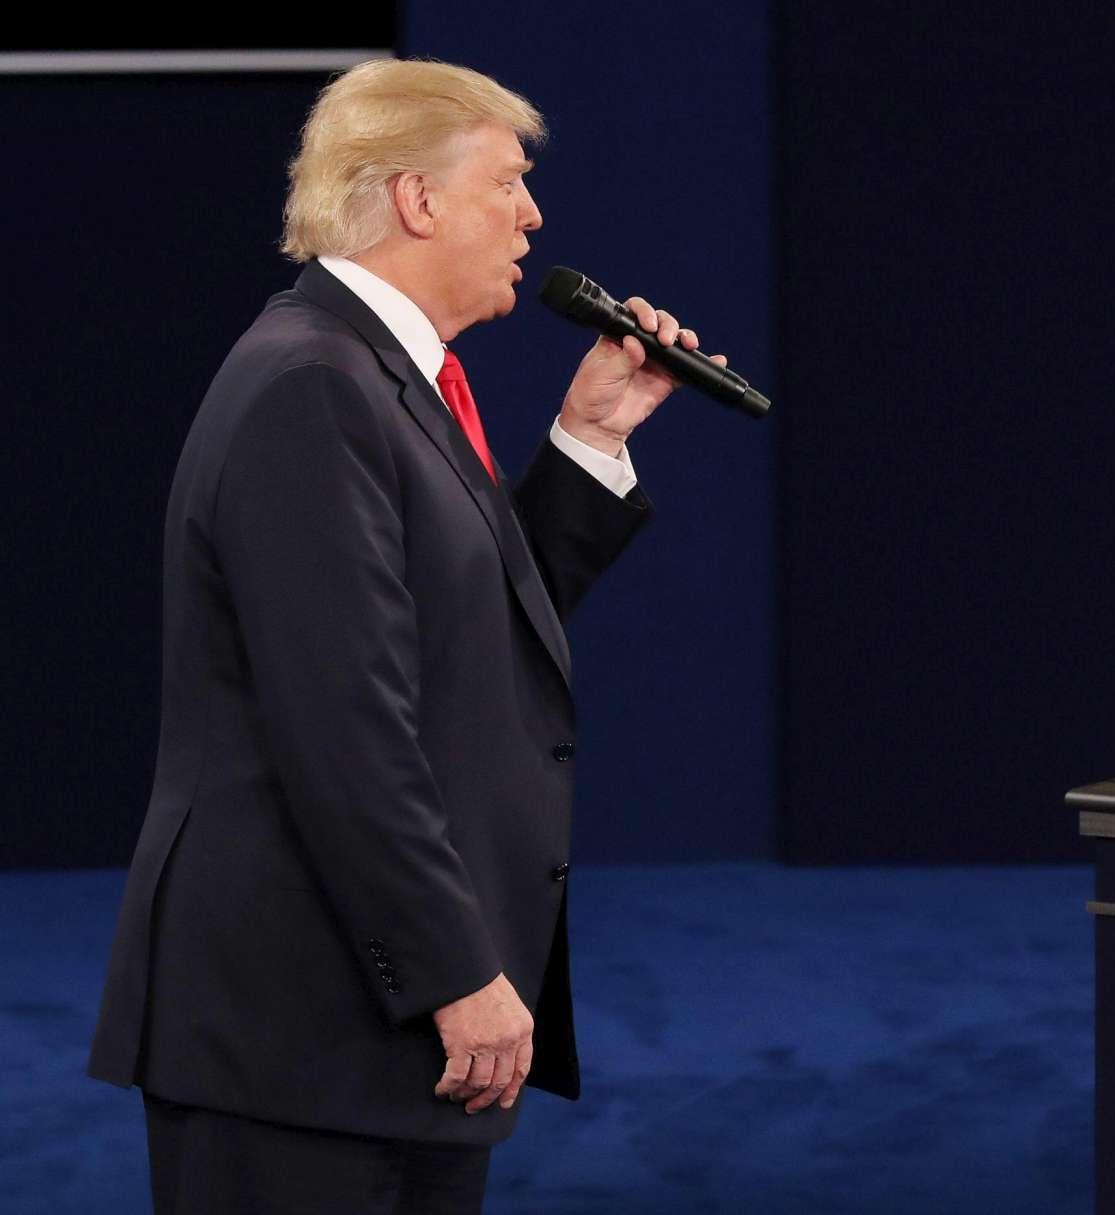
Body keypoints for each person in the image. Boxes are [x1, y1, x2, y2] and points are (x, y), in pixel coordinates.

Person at [87, 59, 721, 1213]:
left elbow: (460, 635)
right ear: (417, 199)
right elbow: (344, 724)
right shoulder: (311, 385)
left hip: (368, 1031)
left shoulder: (383, 376)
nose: (532, 216)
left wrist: (588, 437)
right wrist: (453, 970)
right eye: (510, 183)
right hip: (299, 1037)